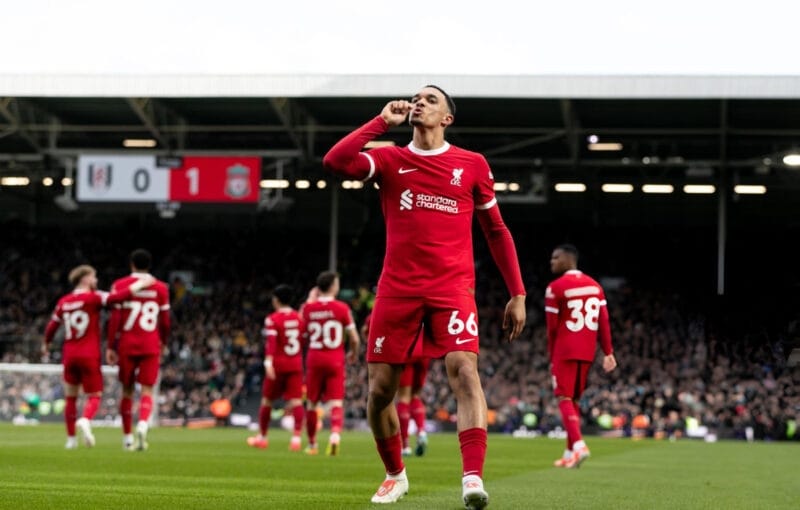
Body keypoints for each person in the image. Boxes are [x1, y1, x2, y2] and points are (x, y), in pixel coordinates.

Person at [323, 85, 526, 509]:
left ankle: (472, 476)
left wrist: (518, 292)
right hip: (397, 289)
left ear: (447, 118)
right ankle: (395, 475)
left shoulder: (471, 164)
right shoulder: (390, 159)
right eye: (416, 97)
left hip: (452, 288)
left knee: (464, 371)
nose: (419, 102)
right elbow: (336, 160)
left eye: (431, 99)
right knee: (380, 391)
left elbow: (497, 231)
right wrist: (381, 123)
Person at [42, 265, 154, 449]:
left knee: (71, 397)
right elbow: (117, 297)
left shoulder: (64, 301)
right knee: (94, 395)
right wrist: (140, 285)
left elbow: (52, 327)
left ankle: (71, 440)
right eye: (94, 277)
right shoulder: (94, 297)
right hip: (88, 354)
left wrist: (46, 344)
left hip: (69, 354)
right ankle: (85, 420)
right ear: (85, 279)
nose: (96, 280)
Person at [545, 244, 617, 468]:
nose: (552, 262)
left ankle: (579, 445)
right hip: (587, 351)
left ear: (568, 260)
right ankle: (569, 454)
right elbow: (603, 321)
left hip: (564, 350)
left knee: (564, 398)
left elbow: (552, 329)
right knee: (574, 399)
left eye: (556, 258)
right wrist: (608, 352)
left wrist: (551, 358)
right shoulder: (595, 286)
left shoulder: (555, 288)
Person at [106, 249, 171, 451]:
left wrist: (110, 345)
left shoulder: (120, 285)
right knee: (147, 390)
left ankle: (127, 438)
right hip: (150, 343)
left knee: (126, 391)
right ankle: (143, 423)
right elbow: (166, 321)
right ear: (149, 265)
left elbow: (114, 319)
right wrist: (164, 342)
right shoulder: (160, 288)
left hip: (126, 343)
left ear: (131, 264)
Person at [300, 271, 360, 456]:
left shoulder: (309, 309)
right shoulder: (342, 308)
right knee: (336, 403)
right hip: (335, 358)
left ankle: (312, 444)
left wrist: (310, 300)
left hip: (315, 358)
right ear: (333, 286)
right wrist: (353, 353)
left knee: (311, 404)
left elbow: (301, 331)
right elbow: (355, 339)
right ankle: (334, 436)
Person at [247, 284, 306, 451]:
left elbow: (271, 344)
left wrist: (268, 362)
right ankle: (296, 439)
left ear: (276, 300)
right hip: (295, 363)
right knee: (296, 401)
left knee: (267, 401)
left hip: (278, 364)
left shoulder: (272, 319)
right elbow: (303, 340)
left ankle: (263, 438)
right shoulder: (299, 318)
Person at [364, 312, 430, 457]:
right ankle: (421, 431)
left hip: (406, 350)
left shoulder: (386, 307)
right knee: (416, 396)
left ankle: (405, 445)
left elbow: (367, 331)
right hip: (423, 350)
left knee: (403, 397)